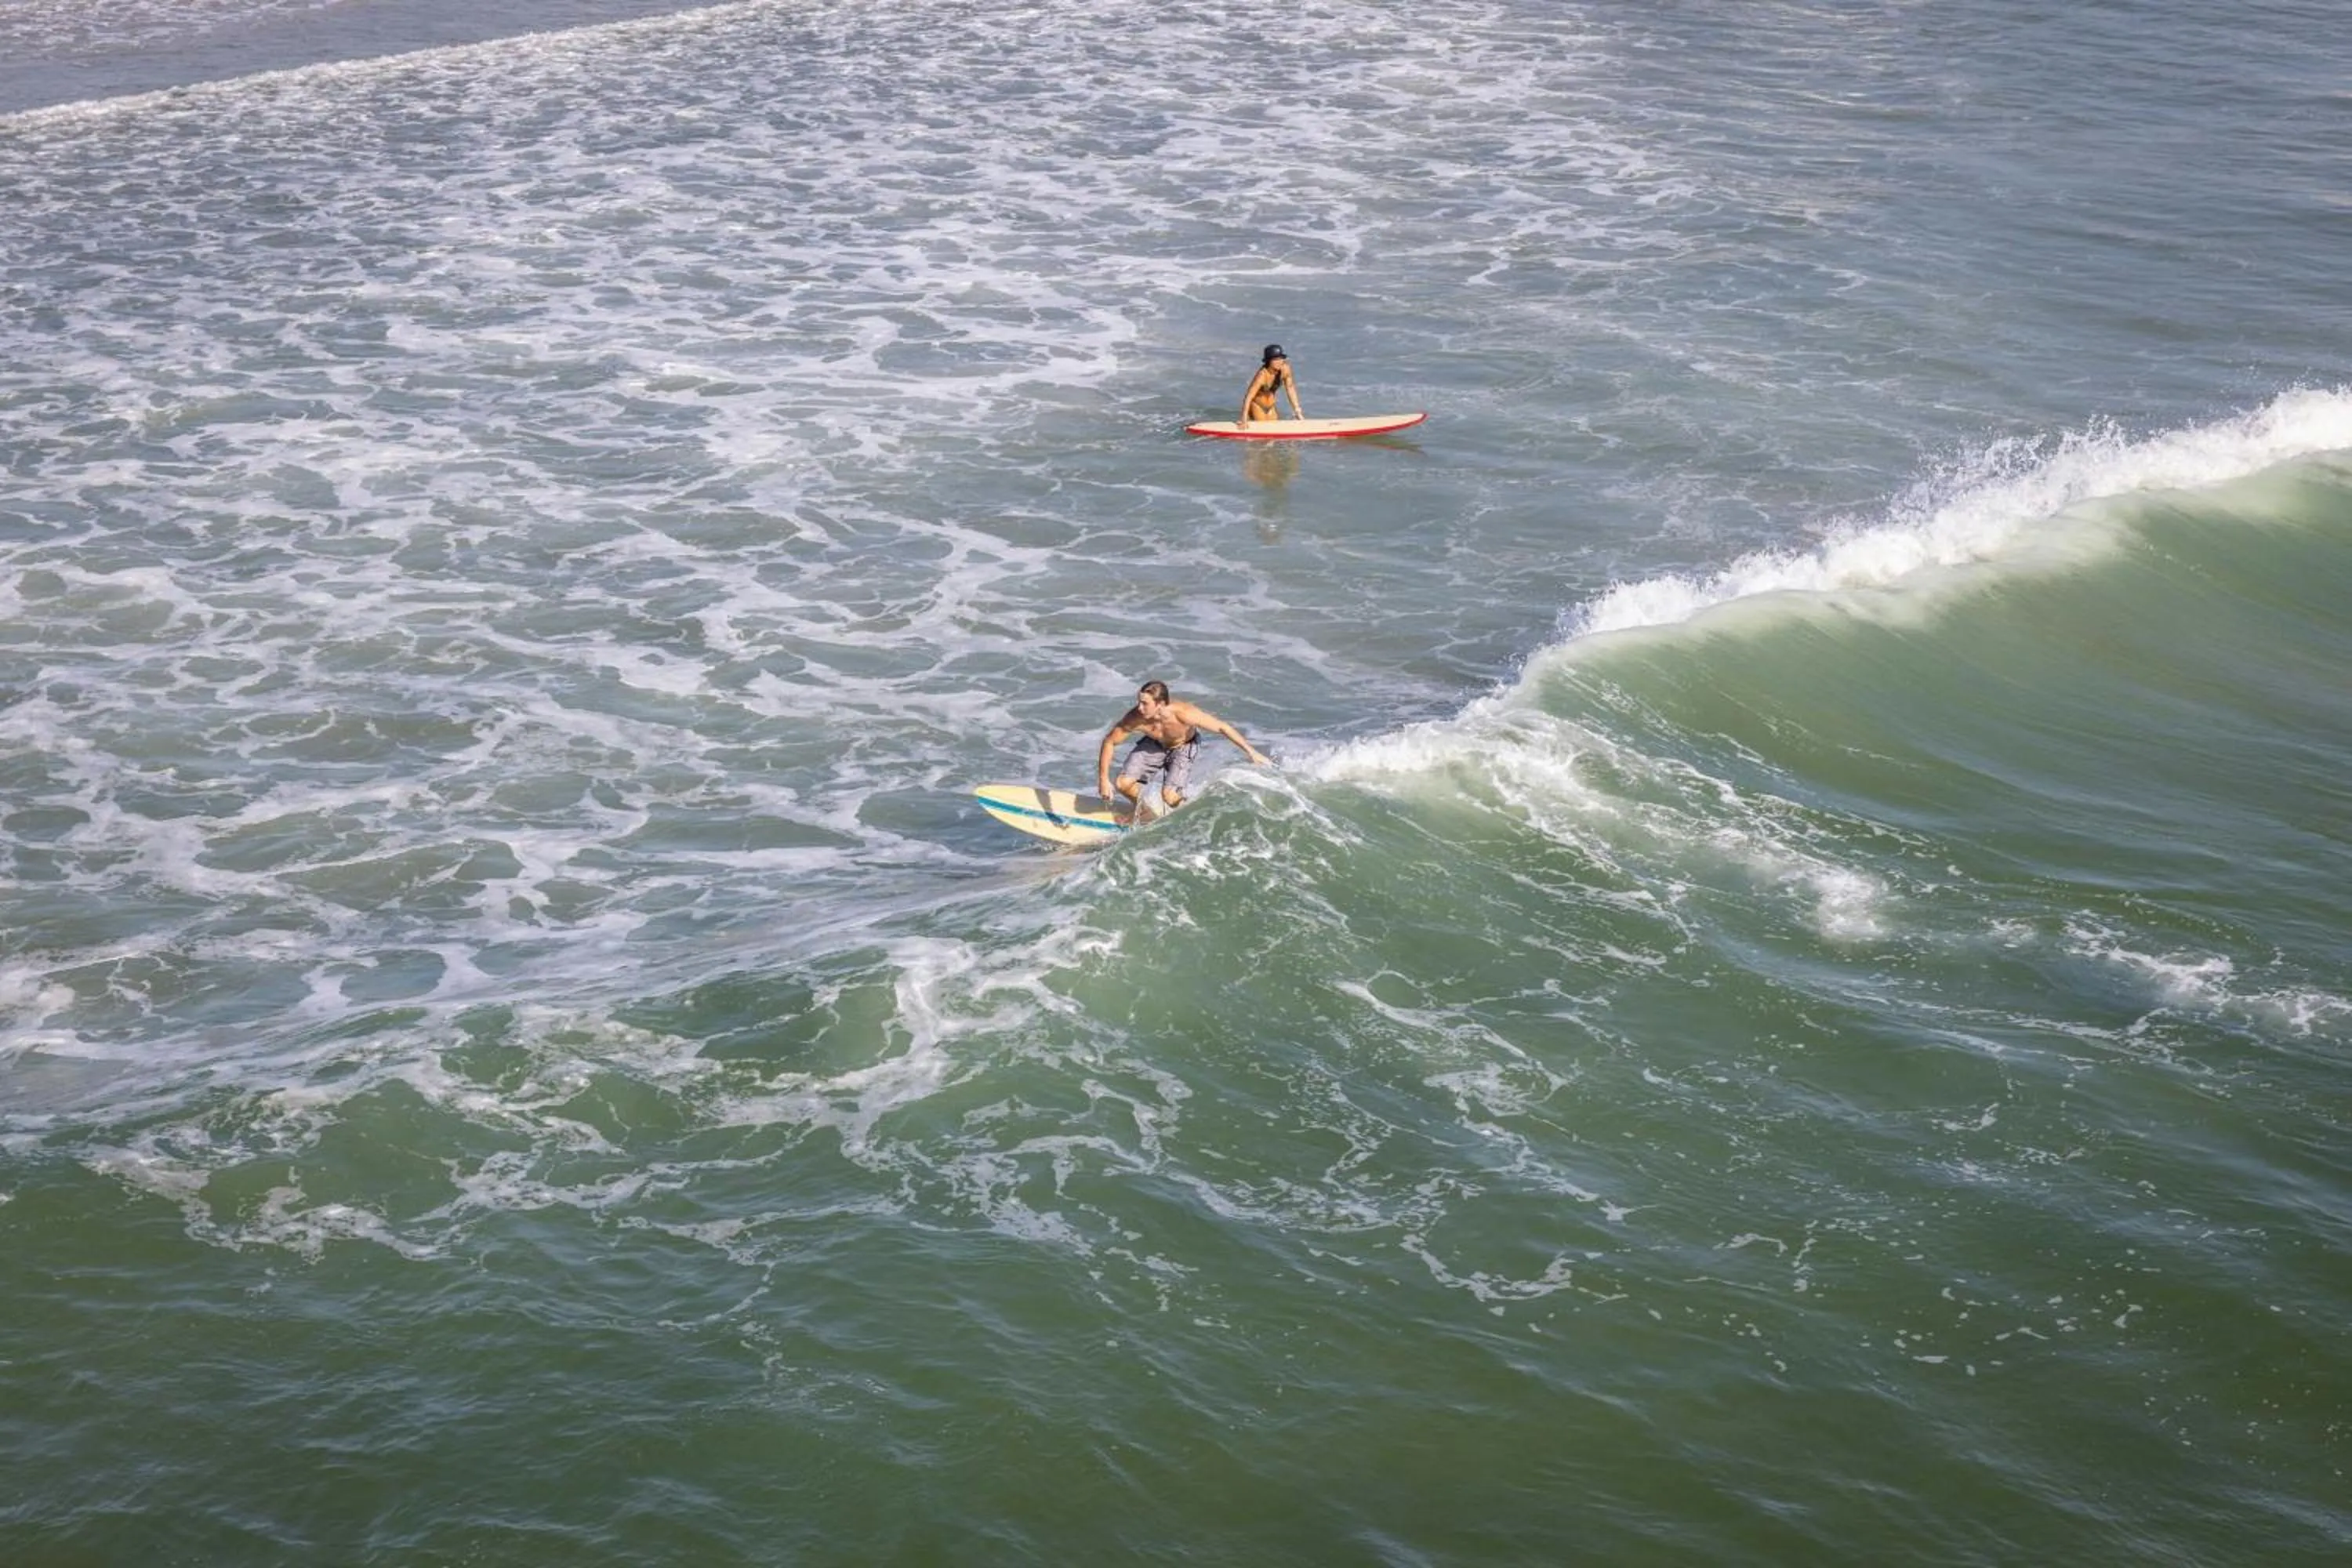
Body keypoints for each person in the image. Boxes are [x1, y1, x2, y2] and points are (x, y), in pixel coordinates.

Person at [1097, 680, 1270, 818]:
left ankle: (1191, 813)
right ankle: (1145, 812)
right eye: (1139, 702)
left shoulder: (1184, 713)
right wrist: (1104, 779)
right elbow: (1109, 742)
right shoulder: (1135, 717)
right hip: (1155, 744)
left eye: (1145, 704)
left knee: (1170, 797)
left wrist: (1252, 752)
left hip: (1183, 747)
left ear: (1161, 704)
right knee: (1122, 783)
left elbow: (1222, 727)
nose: (1139, 708)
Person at [1239, 343, 1305, 425]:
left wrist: (1297, 411)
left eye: (1281, 359)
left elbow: (1290, 389)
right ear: (1269, 361)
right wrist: (1244, 419)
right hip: (1258, 406)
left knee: (1274, 434)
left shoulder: (1285, 369)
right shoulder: (1262, 375)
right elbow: (1249, 397)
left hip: (1271, 407)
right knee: (1263, 433)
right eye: (1276, 359)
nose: (1279, 362)